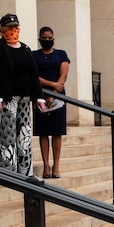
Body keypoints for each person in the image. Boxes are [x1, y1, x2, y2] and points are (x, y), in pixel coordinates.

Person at [0, 14, 46, 175]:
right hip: (7, 98)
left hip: (25, 98)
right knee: (7, 135)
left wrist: (39, 96)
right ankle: (9, 173)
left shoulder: (25, 48)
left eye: (15, 27)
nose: (13, 31)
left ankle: (25, 172)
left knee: (24, 135)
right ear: (2, 30)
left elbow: (34, 73)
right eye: (9, 28)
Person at [32, 26, 70, 178]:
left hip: (58, 98)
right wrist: (51, 85)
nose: (47, 40)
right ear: (39, 39)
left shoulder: (61, 54)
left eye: (49, 38)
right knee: (43, 132)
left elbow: (63, 76)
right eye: (44, 38)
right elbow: (33, 75)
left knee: (56, 132)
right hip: (40, 95)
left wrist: (54, 93)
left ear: (53, 39)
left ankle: (56, 165)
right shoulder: (34, 55)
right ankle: (46, 166)